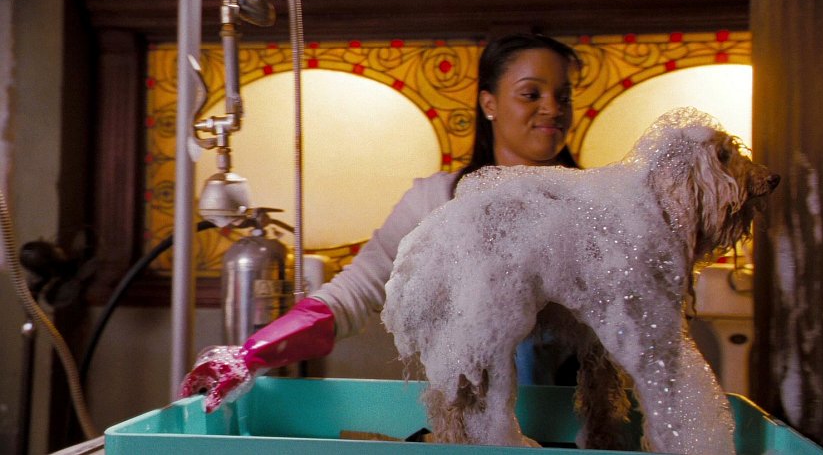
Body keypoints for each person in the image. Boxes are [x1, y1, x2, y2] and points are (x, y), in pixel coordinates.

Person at [180, 33, 582, 412]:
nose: (553, 108)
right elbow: (355, 292)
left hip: (579, 426)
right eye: (531, 94)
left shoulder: (595, 204)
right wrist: (251, 354)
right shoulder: (435, 201)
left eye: (563, 97)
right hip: (473, 424)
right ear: (488, 103)